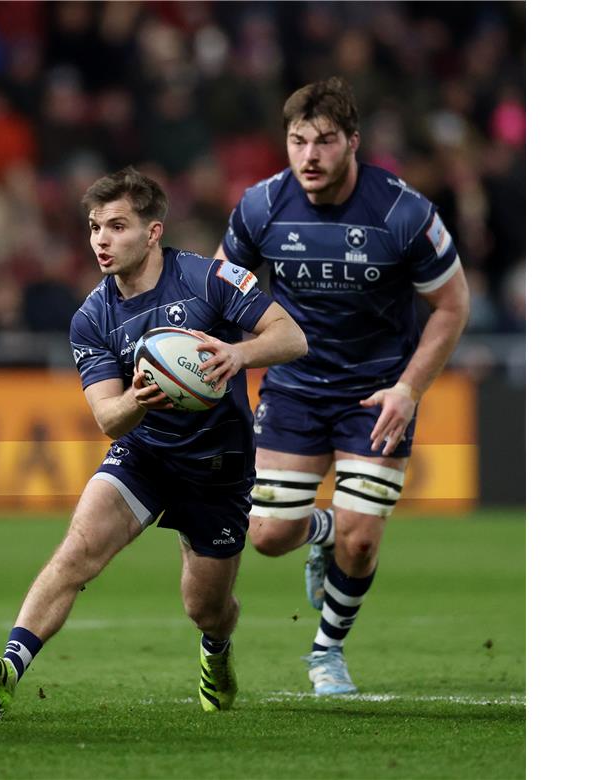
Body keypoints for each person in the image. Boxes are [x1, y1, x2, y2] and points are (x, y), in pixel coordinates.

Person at [0, 167, 306, 716]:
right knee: (77, 552)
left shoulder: (209, 279)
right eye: (95, 226)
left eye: (117, 226)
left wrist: (237, 353)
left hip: (218, 465)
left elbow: (292, 336)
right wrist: (140, 399)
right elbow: (107, 418)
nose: (101, 239)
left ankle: (216, 652)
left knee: (205, 608)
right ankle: (8, 669)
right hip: (145, 453)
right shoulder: (92, 318)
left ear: (152, 232)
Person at [215, 77, 470, 695]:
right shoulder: (260, 206)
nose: (309, 156)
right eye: (298, 140)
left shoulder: (403, 212)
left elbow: (452, 306)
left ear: (353, 142)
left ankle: (326, 650)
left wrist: (410, 389)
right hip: (296, 385)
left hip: (378, 391)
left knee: (361, 541)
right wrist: (224, 358)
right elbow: (222, 291)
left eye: (325, 141)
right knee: (269, 536)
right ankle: (318, 534)